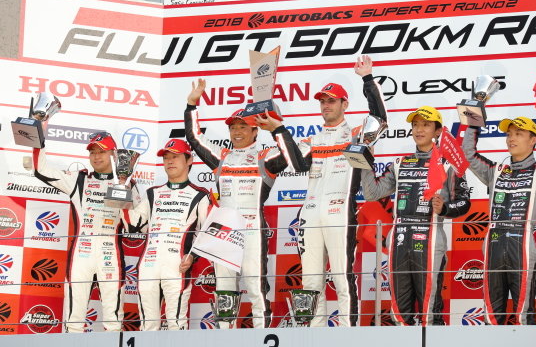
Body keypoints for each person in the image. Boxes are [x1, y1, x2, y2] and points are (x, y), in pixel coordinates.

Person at [277, 55, 388, 327]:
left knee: (341, 276)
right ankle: (313, 335)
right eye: (322, 101)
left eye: (331, 100)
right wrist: (278, 129)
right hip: (311, 214)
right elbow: (296, 163)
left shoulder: (356, 133)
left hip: (340, 212)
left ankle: (347, 335)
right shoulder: (311, 139)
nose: (326, 105)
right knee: (310, 280)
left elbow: (380, 119)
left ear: (344, 104)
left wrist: (367, 78)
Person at [185, 80, 300, 328]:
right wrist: (192, 104)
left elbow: (292, 158)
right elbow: (194, 138)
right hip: (224, 232)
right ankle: (224, 338)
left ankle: (261, 337)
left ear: (255, 131)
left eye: (243, 127)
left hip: (252, 230)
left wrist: (277, 128)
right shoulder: (221, 157)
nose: (237, 131)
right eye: (233, 127)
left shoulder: (264, 157)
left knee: (256, 287)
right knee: (225, 290)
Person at [360, 106, 471, 326]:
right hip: (399, 241)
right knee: (399, 312)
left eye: (426, 125)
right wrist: (363, 161)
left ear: (437, 131)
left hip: (430, 239)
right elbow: (372, 193)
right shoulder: (400, 163)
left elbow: (464, 201)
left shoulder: (448, 164)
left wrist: (445, 209)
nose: (419, 130)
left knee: (430, 310)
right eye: (415, 125)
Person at [462, 116, 536, 325]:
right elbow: (468, 153)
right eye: (509, 134)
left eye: (518, 134)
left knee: (524, 313)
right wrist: (474, 120)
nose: (511, 139)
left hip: (521, 245)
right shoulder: (495, 171)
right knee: (491, 316)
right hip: (493, 244)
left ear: (533, 140)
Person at [32, 132, 141, 332]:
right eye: (92, 152)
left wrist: (122, 185)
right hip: (81, 253)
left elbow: (133, 225)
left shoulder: (129, 184)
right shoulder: (78, 180)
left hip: (111, 254)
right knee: (73, 319)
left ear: (114, 155)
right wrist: (38, 131)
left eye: (102, 151)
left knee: (113, 320)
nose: (96, 156)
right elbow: (41, 169)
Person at [127, 139, 211, 331]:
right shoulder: (152, 193)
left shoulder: (200, 195)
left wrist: (193, 257)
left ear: (189, 160)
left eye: (175, 157)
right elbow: (133, 225)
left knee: (176, 324)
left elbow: (209, 232)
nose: (170, 161)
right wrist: (123, 188)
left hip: (177, 267)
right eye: (166, 158)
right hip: (148, 265)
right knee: (148, 326)